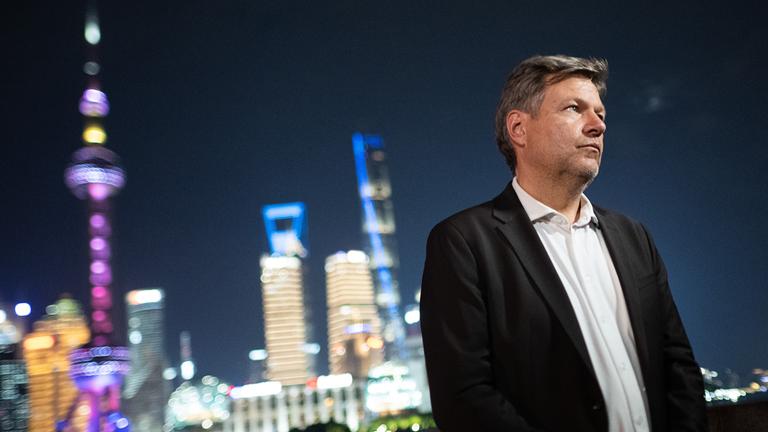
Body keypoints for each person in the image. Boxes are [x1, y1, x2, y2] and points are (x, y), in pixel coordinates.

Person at [420, 55, 707, 432]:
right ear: (519, 128)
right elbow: (464, 398)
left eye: (600, 113)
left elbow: (679, 368)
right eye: (575, 109)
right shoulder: (463, 243)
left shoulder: (634, 236)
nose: (597, 125)